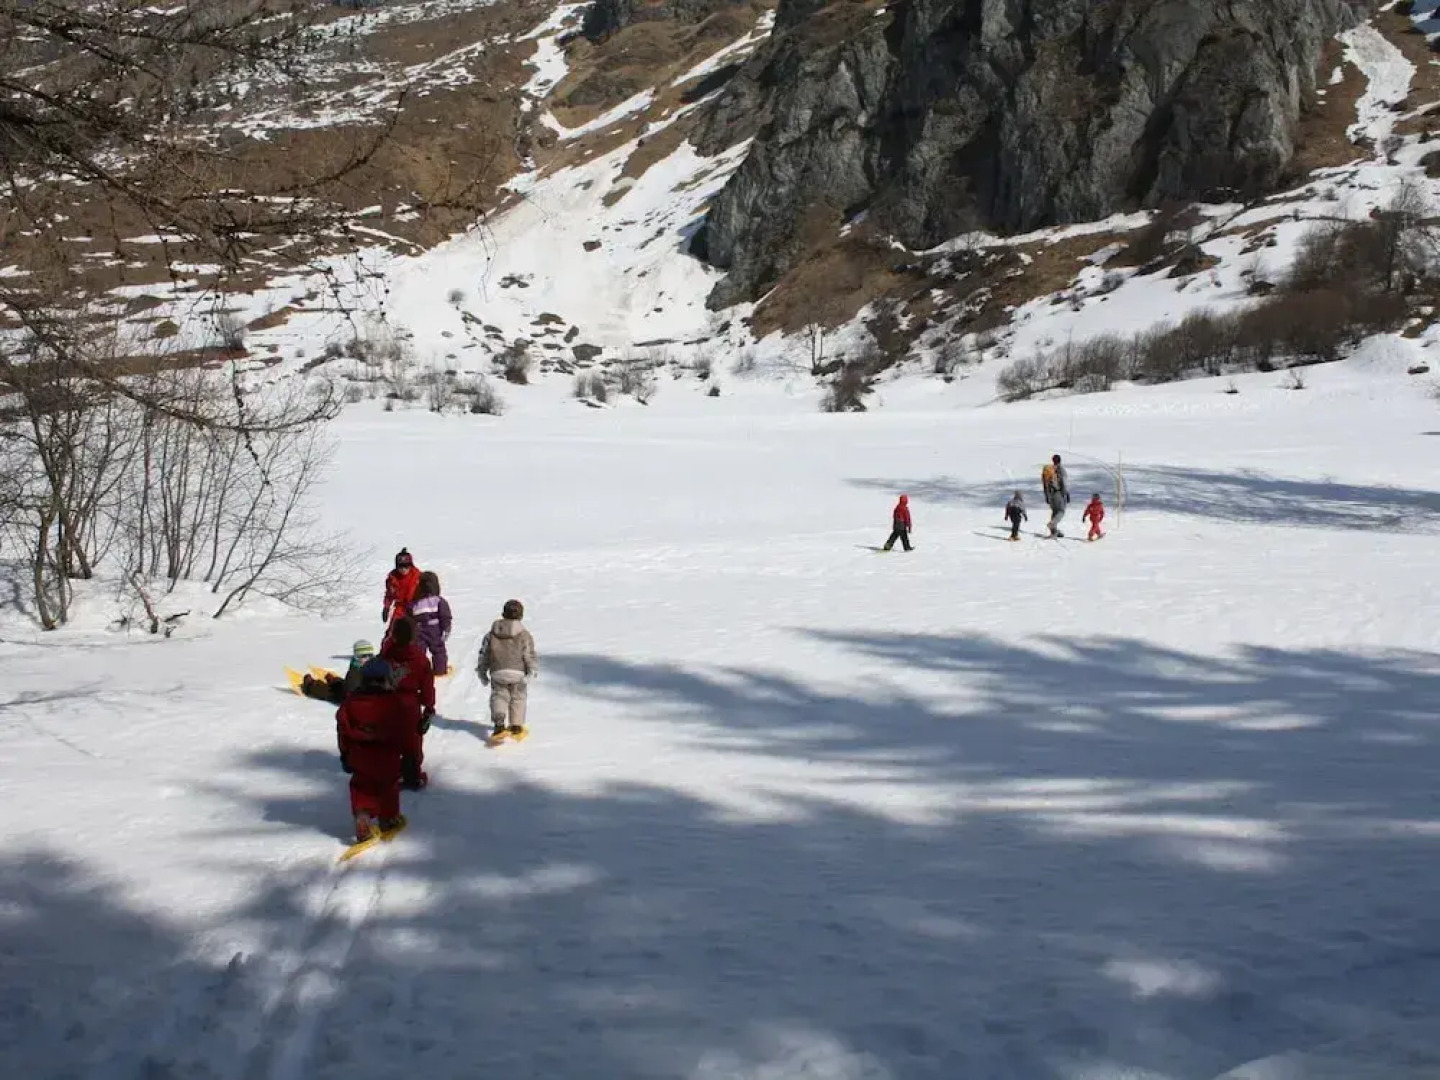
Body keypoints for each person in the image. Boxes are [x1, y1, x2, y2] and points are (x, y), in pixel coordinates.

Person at [335, 657, 410, 842]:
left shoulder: (351, 703)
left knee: (361, 787)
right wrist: (405, 752)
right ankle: (388, 819)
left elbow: (343, 728)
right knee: (389, 787)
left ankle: (363, 815)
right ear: (386, 679)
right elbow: (403, 729)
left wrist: (345, 753)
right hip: (387, 756)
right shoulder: (393, 703)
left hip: (360, 755)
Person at [380, 615, 434, 790]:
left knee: (389, 737)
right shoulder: (419, 658)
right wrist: (429, 707)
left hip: (387, 701)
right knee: (412, 741)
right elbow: (427, 685)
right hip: (410, 704)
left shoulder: (387, 653)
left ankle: (388, 771)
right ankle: (412, 774)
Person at [477, 599, 538, 741]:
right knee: (518, 697)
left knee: (499, 696)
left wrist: (482, 671)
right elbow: (528, 654)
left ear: (503, 614)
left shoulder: (491, 634)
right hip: (518, 673)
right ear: (521, 616)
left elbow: (484, 653)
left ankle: (499, 724)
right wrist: (532, 669)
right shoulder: (524, 634)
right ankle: (516, 725)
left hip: (497, 671)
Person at [301, 639, 375, 704]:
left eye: (370, 656)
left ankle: (333, 680)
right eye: (363, 656)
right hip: (350, 699)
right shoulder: (354, 671)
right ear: (356, 658)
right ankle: (310, 685)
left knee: (341, 684)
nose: (367, 659)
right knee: (326, 691)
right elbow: (350, 688)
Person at [410, 571, 453, 677]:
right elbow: (445, 615)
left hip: (419, 630)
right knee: (438, 649)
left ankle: (418, 671)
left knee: (419, 651)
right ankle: (440, 670)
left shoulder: (415, 603)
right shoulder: (439, 601)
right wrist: (446, 628)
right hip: (434, 629)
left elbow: (409, 617)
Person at [382, 548, 422, 633]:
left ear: (411, 565)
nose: (403, 569)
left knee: (416, 632)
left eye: (406, 566)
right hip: (400, 609)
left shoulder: (418, 577)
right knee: (392, 631)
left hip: (416, 607)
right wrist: (386, 608)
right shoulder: (393, 578)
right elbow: (389, 595)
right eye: (401, 566)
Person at [1041, 454, 1070, 538]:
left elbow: (1044, 484)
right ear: (1060, 460)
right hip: (1058, 493)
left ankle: (1054, 532)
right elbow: (1064, 482)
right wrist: (1066, 493)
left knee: (1054, 511)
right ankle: (1052, 524)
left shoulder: (1049, 470)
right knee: (1061, 511)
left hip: (1050, 494)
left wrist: (1047, 496)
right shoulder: (1060, 469)